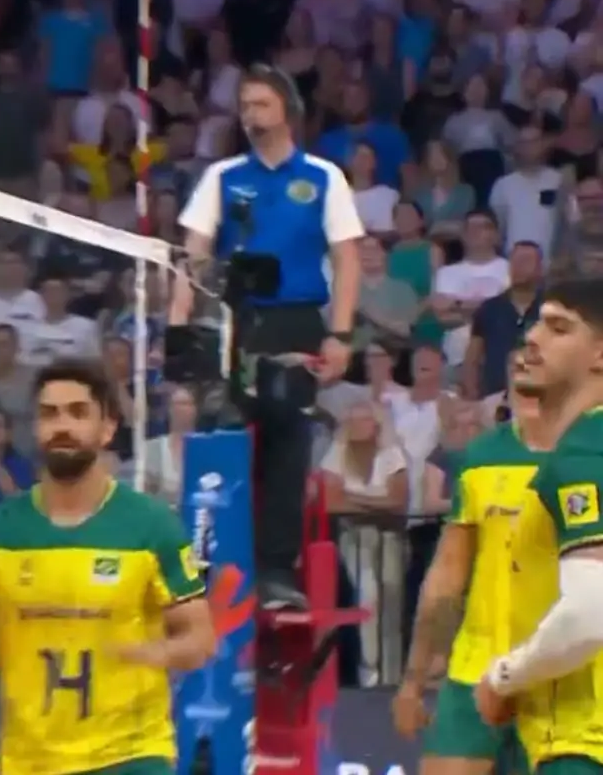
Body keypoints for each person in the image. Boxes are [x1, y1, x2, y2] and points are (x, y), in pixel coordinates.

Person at [0, 358, 215, 775]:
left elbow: (200, 637)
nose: (62, 426)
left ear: (107, 428)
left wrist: (153, 652)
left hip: (130, 755)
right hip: (30, 761)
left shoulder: (151, 526)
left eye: (78, 413)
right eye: (50, 414)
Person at [175, 63, 364, 610]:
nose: (250, 114)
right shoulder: (222, 176)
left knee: (287, 441)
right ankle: (211, 564)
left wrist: (341, 334)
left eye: (261, 103)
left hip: (296, 322)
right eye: (244, 105)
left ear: (287, 111)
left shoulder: (324, 177)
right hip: (233, 323)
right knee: (220, 434)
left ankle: (278, 571)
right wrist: (178, 330)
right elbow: (191, 258)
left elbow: (347, 260)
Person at [393, 352, 549, 775]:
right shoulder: (482, 457)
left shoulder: (591, 454)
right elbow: (446, 577)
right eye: (517, 368)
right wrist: (414, 680)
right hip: (477, 666)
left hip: (566, 675)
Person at [472, 277, 603, 775]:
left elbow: (592, 612)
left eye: (558, 328)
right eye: (536, 324)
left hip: (583, 744)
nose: (532, 338)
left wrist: (504, 677)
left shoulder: (586, 452)